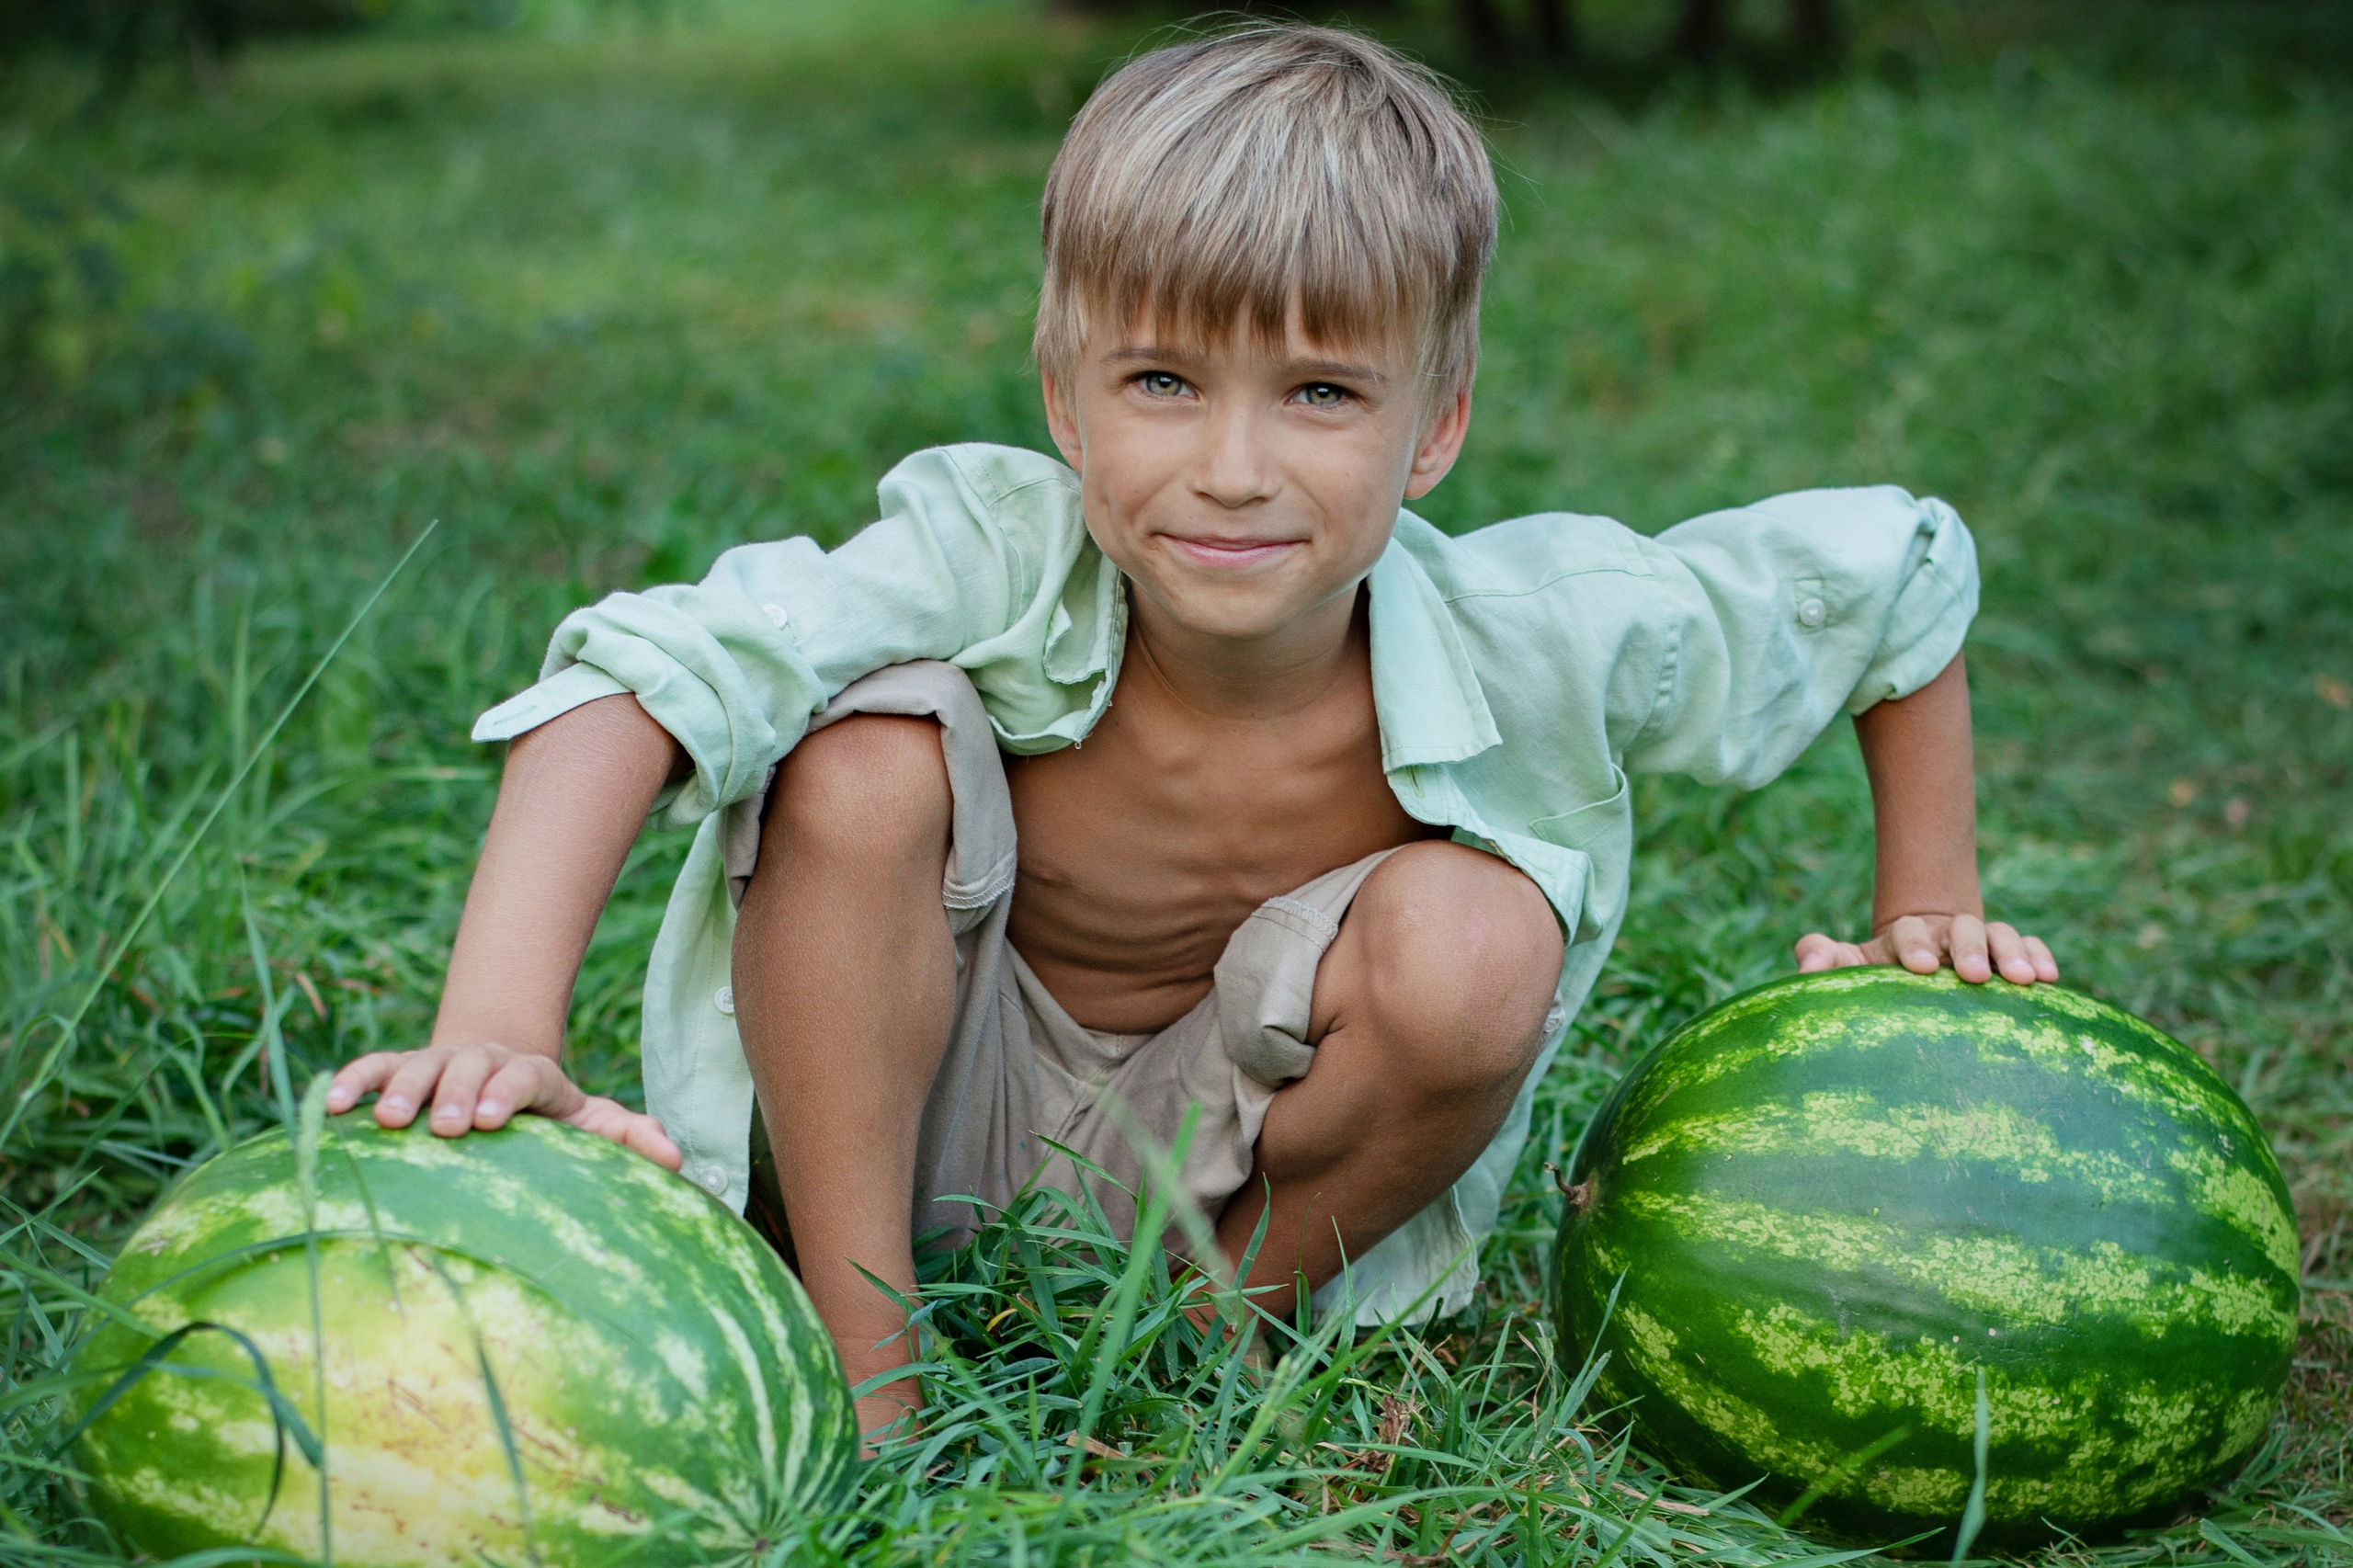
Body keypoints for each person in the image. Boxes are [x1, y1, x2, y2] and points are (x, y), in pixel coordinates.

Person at [325, 24, 2058, 1444]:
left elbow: (1889, 581)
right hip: (911, 1098)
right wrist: (498, 1025)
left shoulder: (1541, 626)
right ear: (1064, 394)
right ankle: (864, 1379)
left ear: (1435, 423)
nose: (1233, 468)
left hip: (1238, 1162)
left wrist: (1928, 900)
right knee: (862, 757)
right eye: (1163, 381)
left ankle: (1199, 1354)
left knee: (1479, 935)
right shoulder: (989, 550)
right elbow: (640, 678)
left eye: (1320, 391)